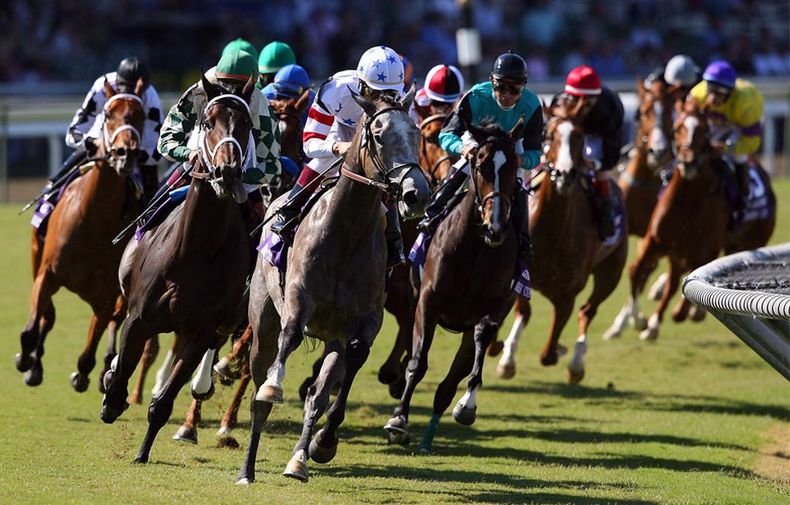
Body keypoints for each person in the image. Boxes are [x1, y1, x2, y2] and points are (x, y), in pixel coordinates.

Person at [269, 45, 407, 268]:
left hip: (375, 135)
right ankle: (289, 211)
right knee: (322, 159)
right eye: (374, 93)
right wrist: (338, 147)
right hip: (340, 129)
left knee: (385, 169)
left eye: (388, 95)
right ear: (360, 84)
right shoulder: (336, 89)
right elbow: (309, 144)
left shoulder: (399, 99)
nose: (380, 101)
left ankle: (394, 235)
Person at [418, 51, 543, 265]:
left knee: (518, 186)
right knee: (460, 169)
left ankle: (524, 242)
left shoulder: (532, 106)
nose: (506, 94)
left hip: (512, 149)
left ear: (524, 87)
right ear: (491, 82)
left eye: (514, 89)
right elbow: (446, 134)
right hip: (479, 142)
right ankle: (432, 215)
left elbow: (535, 153)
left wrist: (521, 161)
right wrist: (462, 148)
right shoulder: (475, 97)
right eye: (501, 86)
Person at [157, 47, 281, 209]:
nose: (232, 92)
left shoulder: (260, 105)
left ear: (251, 87)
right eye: (226, 85)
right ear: (217, 79)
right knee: (150, 211)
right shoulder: (198, 93)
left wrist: (242, 175)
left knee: (268, 225)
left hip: (245, 167)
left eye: (239, 87)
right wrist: (188, 154)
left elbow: (273, 167)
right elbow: (165, 140)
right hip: (198, 160)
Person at [51, 57, 163, 200]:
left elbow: (159, 150)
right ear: (116, 83)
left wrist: (138, 154)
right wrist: (95, 143)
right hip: (103, 135)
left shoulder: (151, 98)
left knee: (153, 198)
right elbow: (73, 134)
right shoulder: (101, 87)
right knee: (53, 186)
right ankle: (49, 196)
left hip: (139, 142)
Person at [552, 64, 624, 242]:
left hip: (597, 136)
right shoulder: (558, 103)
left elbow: (611, 152)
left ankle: (606, 215)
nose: (581, 106)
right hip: (572, 133)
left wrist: (594, 164)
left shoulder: (611, 108)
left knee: (598, 168)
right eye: (576, 100)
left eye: (588, 102)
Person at [688, 59, 765, 213]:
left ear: (730, 93)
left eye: (720, 93)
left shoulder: (745, 104)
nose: (713, 97)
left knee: (738, 156)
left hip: (738, 126)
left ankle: (744, 195)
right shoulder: (697, 95)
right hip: (713, 122)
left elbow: (752, 142)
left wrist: (726, 147)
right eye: (711, 89)